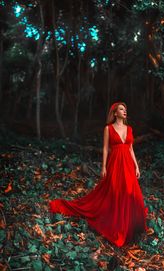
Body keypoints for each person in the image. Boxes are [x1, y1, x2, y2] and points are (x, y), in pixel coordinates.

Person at [49, 102, 148, 247]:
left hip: (128, 164)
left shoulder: (129, 129)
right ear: (115, 113)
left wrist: (137, 166)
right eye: (121, 109)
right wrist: (104, 167)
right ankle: (117, 225)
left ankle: (132, 226)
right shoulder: (108, 128)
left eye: (125, 109)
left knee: (130, 192)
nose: (124, 111)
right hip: (115, 163)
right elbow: (106, 148)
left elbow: (131, 148)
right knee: (114, 191)